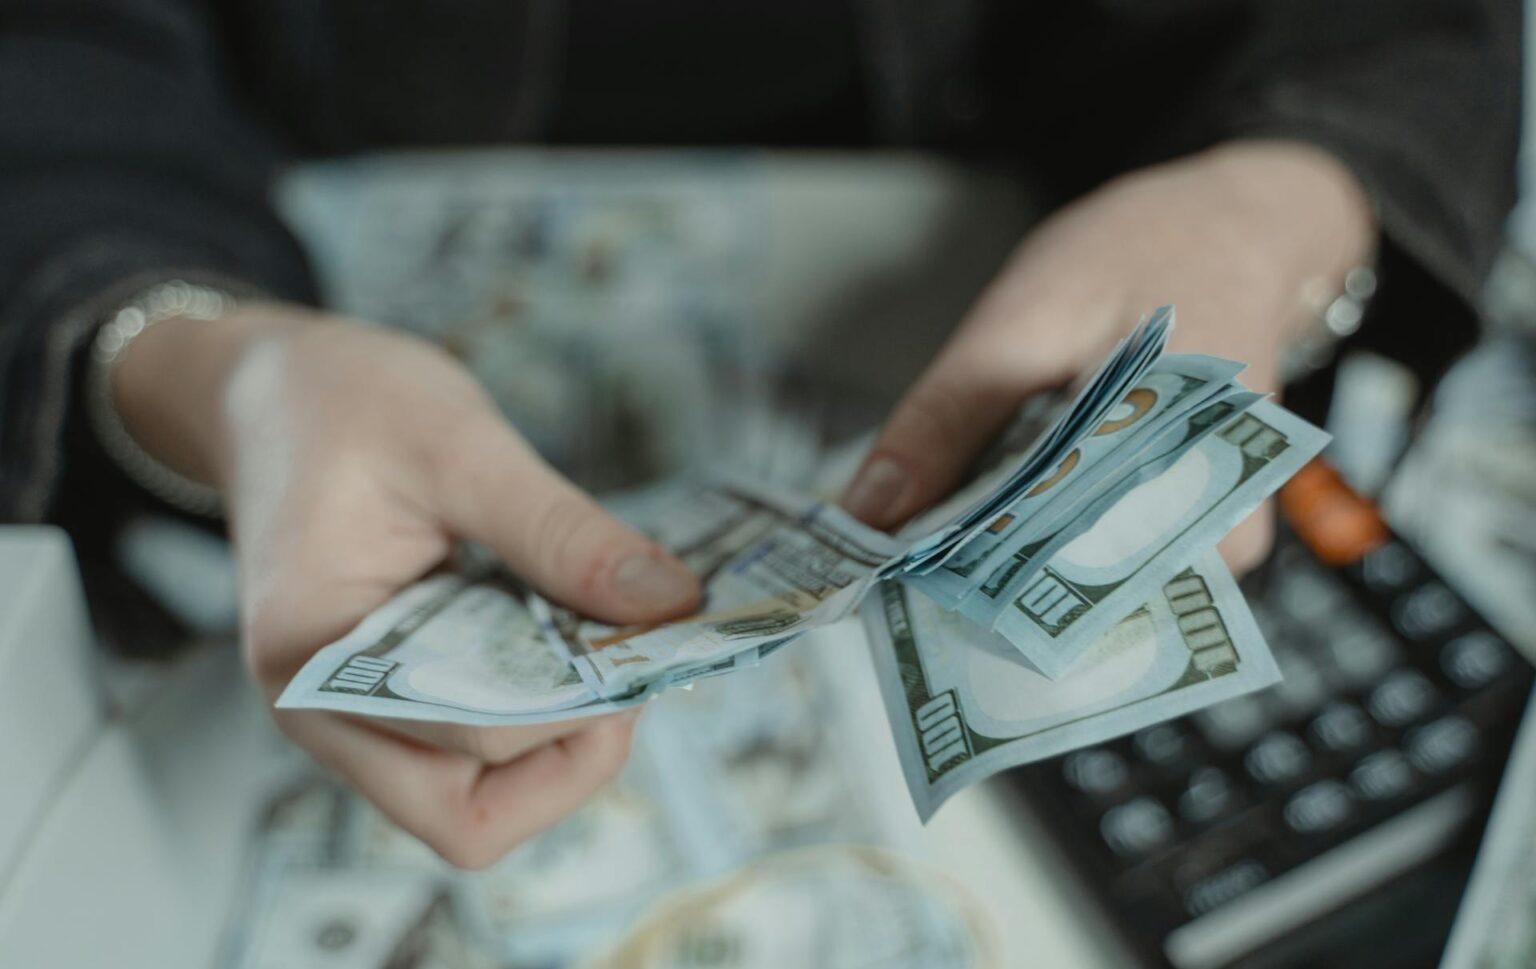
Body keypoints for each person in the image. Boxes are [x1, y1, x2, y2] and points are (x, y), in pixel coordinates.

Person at [0, 0, 1518, 869]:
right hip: (283, 385)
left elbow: (1399, 27)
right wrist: (190, 360)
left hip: (983, 318)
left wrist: (1289, 194)